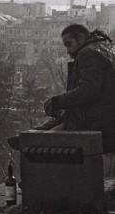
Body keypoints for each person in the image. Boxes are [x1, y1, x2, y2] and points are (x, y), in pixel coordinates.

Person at [9, 24, 115, 153]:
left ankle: (32, 138)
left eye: (69, 44)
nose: (68, 51)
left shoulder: (87, 54)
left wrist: (57, 102)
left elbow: (90, 90)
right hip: (102, 117)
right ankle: (32, 135)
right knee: (61, 118)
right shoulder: (103, 49)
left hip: (98, 123)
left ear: (81, 39)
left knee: (44, 144)